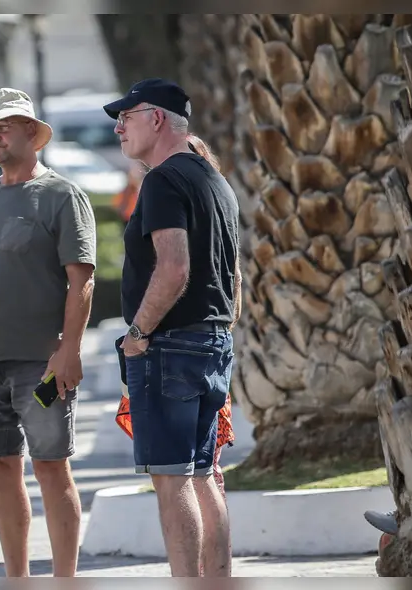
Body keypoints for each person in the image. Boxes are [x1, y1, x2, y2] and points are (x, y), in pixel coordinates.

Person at [0, 87, 97, 578]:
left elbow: (83, 280)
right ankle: (17, 579)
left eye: (3, 126)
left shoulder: (62, 196)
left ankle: (65, 580)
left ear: (33, 132)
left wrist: (68, 353)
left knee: (52, 467)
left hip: (41, 367)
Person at [103, 78, 240, 577]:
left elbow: (175, 267)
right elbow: (234, 278)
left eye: (127, 115)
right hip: (212, 341)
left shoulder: (163, 180)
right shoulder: (213, 179)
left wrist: (138, 335)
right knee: (204, 475)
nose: (118, 126)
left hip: (169, 346)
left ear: (157, 118)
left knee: (172, 478)